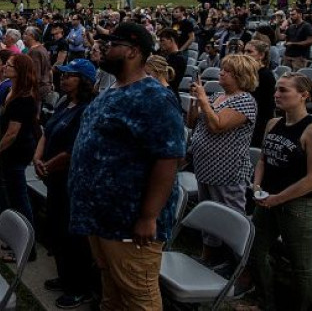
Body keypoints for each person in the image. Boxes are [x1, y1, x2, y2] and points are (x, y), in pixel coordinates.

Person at [69, 22, 185, 310]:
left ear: (133, 51)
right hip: (101, 217)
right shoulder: (112, 91)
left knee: (139, 295)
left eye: (113, 45)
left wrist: (148, 216)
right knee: (113, 293)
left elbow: (168, 158)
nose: (105, 50)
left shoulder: (154, 97)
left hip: (129, 221)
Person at [33, 59, 97, 309]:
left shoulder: (87, 109)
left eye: (70, 75)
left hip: (72, 180)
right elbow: (47, 131)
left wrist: (47, 165)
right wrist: (38, 158)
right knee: (57, 228)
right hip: (53, 177)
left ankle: (79, 287)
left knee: (73, 235)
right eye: (63, 74)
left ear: (83, 81)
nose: (63, 78)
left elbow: (75, 149)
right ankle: (64, 276)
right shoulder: (63, 102)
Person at [188, 54, 258, 264]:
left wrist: (202, 100)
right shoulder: (218, 95)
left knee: (231, 218)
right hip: (205, 167)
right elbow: (193, 122)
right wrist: (195, 101)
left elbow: (217, 126)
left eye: (226, 71)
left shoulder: (245, 100)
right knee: (209, 216)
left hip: (227, 171)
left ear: (240, 76)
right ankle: (208, 258)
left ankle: (237, 267)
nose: (221, 72)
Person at [251, 72, 312, 310]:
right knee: (255, 253)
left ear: (304, 95)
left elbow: (311, 179)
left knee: (302, 266)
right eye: (276, 89)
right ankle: (267, 302)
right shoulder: (273, 123)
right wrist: (257, 186)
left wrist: (279, 198)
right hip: (267, 200)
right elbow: (264, 160)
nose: (276, 94)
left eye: (284, 90)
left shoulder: (309, 129)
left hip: (297, 205)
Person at [0, 53, 39, 261]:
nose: (5, 67)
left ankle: (28, 246)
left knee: (19, 199)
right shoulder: (9, 90)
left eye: (10, 65)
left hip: (16, 152)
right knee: (12, 197)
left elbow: (13, 132)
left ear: (20, 70)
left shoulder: (25, 98)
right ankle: (15, 239)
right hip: (4, 149)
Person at [245, 39, 277, 148]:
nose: (245, 54)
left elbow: (267, 107)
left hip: (258, 124)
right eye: (244, 51)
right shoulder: (248, 73)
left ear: (261, 55)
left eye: (249, 52)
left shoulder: (266, 76)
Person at [157, 28, 187, 98]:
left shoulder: (179, 59)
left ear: (171, 40)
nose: (160, 44)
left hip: (171, 96)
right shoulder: (167, 56)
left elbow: (170, 81)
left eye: (162, 41)